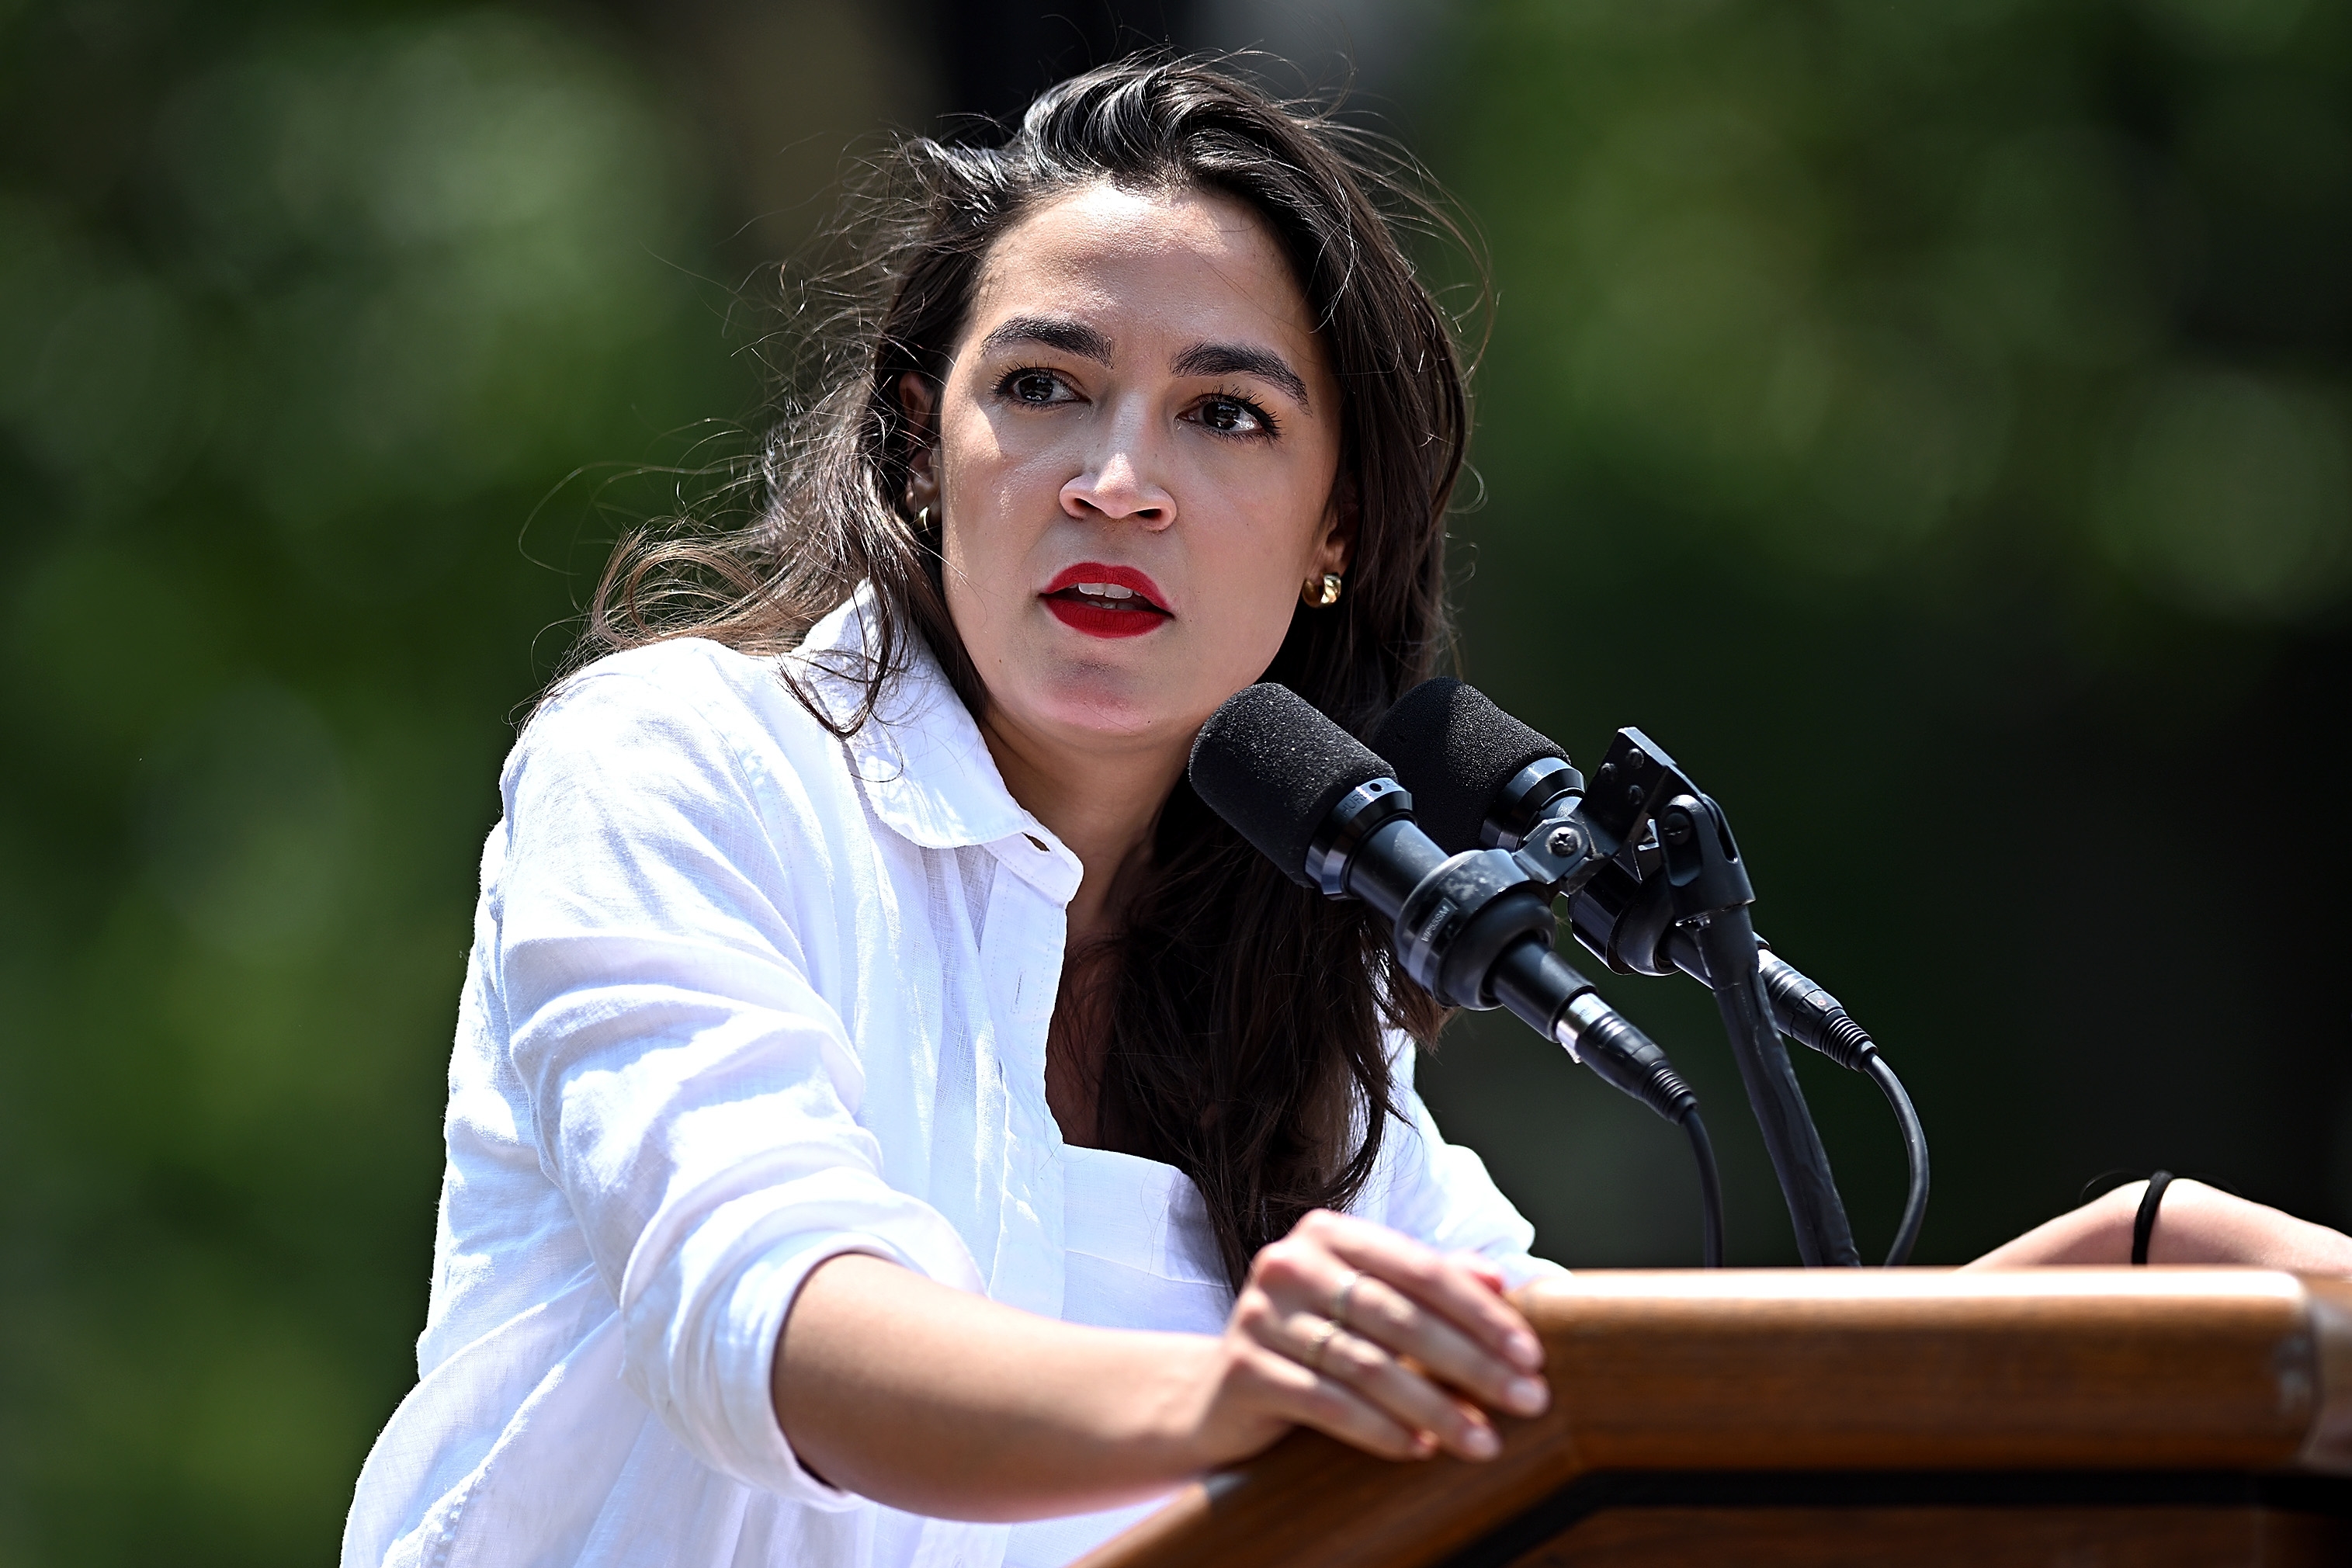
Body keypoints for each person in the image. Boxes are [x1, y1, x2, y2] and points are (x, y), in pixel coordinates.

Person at [341, 54, 2352, 1568]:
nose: (1120, 476)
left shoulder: (1320, 1004)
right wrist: (1232, 1392)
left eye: (1225, 413)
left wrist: (2131, 1266)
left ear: (1330, 536)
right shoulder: (683, 763)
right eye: (1043, 385)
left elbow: (1608, 1440)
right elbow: (775, 1324)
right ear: (913, 443)